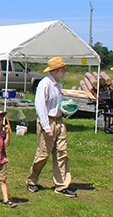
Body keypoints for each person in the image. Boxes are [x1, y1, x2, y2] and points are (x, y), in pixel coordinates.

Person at [26, 56, 76, 197]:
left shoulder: (58, 85)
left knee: (62, 153)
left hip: (59, 121)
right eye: (63, 68)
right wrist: (46, 126)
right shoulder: (45, 84)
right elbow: (40, 106)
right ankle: (32, 180)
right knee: (43, 154)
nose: (65, 71)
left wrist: (67, 109)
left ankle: (62, 185)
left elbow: (57, 104)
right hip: (47, 121)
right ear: (56, 70)